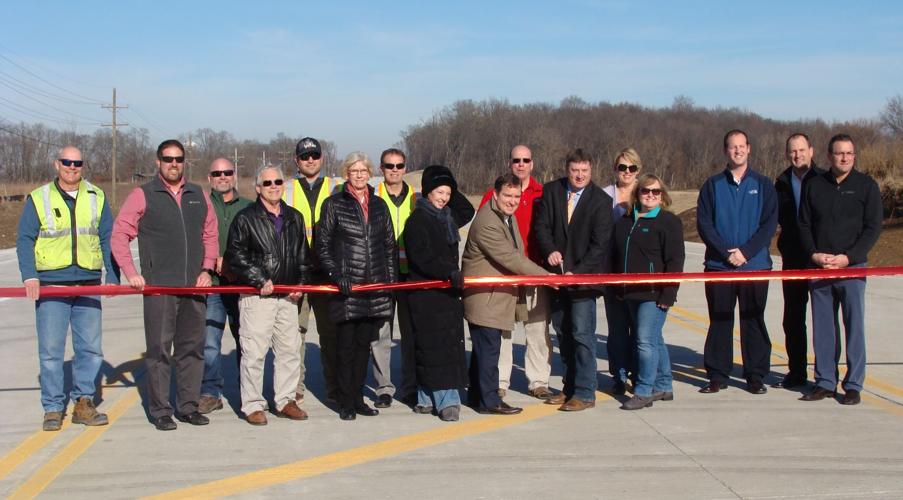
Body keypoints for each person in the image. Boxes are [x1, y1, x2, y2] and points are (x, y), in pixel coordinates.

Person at [112, 139, 219, 431]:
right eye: (168, 158)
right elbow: (119, 235)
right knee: (159, 350)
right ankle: (160, 410)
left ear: (185, 162)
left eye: (179, 159)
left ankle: (188, 406)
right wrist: (132, 272)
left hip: (194, 288)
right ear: (158, 162)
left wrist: (207, 269)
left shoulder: (198, 194)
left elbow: (210, 234)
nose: (174, 163)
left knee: (192, 349)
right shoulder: (143, 194)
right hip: (159, 288)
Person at [16, 145, 119, 431]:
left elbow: (107, 237)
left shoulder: (96, 196)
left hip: (88, 283)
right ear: (56, 164)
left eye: (77, 163)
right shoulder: (40, 197)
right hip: (52, 284)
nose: (72, 167)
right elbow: (25, 238)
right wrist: (30, 276)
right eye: (67, 162)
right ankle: (52, 407)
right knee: (50, 350)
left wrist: (112, 274)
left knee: (90, 349)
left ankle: (84, 402)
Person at [798, 133, 882, 405]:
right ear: (829, 156)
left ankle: (854, 384)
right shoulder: (815, 185)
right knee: (823, 327)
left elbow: (872, 228)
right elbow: (804, 225)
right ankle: (824, 381)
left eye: (849, 153)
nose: (844, 158)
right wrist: (814, 254)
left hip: (852, 268)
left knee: (853, 325)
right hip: (820, 268)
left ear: (854, 156)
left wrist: (849, 257)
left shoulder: (866, 186)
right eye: (839, 153)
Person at [225, 165, 310, 425]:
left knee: (289, 351)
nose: (274, 186)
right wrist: (259, 279)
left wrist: (301, 284)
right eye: (268, 182)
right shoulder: (245, 218)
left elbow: (303, 257)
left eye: (278, 181)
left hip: (287, 298)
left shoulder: (294, 217)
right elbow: (235, 256)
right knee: (254, 352)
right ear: (258, 188)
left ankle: (285, 400)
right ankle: (252, 404)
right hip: (258, 297)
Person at [316, 152, 397, 420]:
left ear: (370, 173)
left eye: (363, 170)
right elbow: (323, 245)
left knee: (364, 346)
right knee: (346, 346)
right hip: (347, 289)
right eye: (354, 170)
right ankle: (345, 400)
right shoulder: (333, 204)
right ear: (346, 174)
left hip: (373, 288)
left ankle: (358, 397)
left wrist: (390, 282)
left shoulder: (379, 205)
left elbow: (389, 246)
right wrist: (336, 275)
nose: (359, 175)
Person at [696, 129, 778, 395]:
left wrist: (745, 252)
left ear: (749, 149)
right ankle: (718, 375)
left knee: (753, 319)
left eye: (742, 146)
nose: (737, 151)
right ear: (725, 151)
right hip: (720, 267)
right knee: (720, 320)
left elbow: (768, 225)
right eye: (732, 147)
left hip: (755, 266)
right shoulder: (712, 185)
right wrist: (724, 253)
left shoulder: (764, 185)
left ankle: (755, 375)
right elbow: (705, 224)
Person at [465, 173, 552, 415]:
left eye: (516, 196)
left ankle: (477, 395)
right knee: (489, 350)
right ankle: (490, 401)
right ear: (495, 195)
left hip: (497, 296)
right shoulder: (488, 221)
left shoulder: (506, 217)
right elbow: (510, 257)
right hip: (486, 298)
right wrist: (546, 277)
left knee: (484, 350)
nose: (512, 201)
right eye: (507, 196)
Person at [534, 148, 613, 411]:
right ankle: (568, 388)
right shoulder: (552, 191)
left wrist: (577, 271)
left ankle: (585, 392)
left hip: (583, 281)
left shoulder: (601, 200)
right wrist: (549, 251)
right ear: (567, 170)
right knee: (563, 333)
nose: (579, 175)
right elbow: (541, 226)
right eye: (574, 171)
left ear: (591, 170)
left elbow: (600, 245)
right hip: (556, 277)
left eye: (584, 171)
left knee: (582, 334)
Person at [405, 165, 474, 421]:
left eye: (447, 193)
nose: (444, 198)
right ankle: (446, 401)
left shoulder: (447, 217)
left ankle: (426, 396)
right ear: (427, 192)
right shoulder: (417, 220)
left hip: (447, 294)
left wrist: (450, 183)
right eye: (439, 192)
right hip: (427, 294)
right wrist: (449, 272)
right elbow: (423, 258)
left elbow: (467, 210)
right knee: (433, 348)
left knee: (441, 347)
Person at [611, 174, 685, 410]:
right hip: (629, 293)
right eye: (645, 191)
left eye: (656, 191)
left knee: (644, 341)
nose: (650, 195)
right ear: (637, 193)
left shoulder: (668, 222)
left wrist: (669, 293)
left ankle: (643, 390)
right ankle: (664, 384)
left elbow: (675, 261)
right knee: (654, 339)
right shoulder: (624, 222)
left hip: (654, 295)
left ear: (662, 195)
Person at [283, 137, 341, 404]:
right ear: (296, 160)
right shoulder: (284, 189)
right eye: (304, 156)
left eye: (314, 156)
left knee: (332, 334)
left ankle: (335, 386)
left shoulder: (337, 188)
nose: (310, 160)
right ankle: (295, 386)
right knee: (295, 334)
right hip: (297, 272)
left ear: (322, 159)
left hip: (328, 273)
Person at [199, 158, 252, 414]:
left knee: (248, 341)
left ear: (234, 176)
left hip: (243, 287)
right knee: (210, 342)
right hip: (212, 286)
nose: (222, 177)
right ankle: (210, 391)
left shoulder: (250, 207)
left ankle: (249, 392)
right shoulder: (199, 206)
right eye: (217, 173)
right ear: (209, 178)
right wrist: (208, 263)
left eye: (227, 172)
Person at [774, 134, 824, 389]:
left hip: (820, 259)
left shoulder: (824, 180)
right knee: (793, 318)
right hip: (793, 258)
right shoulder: (781, 183)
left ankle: (825, 375)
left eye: (802, 150)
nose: (798, 155)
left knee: (824, 319)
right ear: (787, 154)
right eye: (793, 151)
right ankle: (797, 371)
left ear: (811, 151)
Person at [370, 148, 417, 408]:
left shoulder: (416, 198)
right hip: (382, 273)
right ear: (381, 168)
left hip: (410, 274)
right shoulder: (372, 196)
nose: (394, 170)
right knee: (381, 333)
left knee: (410, 334)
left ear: (405, 168)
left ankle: (410, 386)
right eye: (389, 166)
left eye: (399, 165)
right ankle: (383, 387)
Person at [601, 147, 643, 395]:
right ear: (615, 169)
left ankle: (639, 374)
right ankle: (618, 375)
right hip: (612, 272)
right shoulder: (604, 196)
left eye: (632, 168)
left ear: (638, 170)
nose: (627, 172)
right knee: (617, 330)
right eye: (622, 167)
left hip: (638, 274)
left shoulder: (645, 193)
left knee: (639, 329)